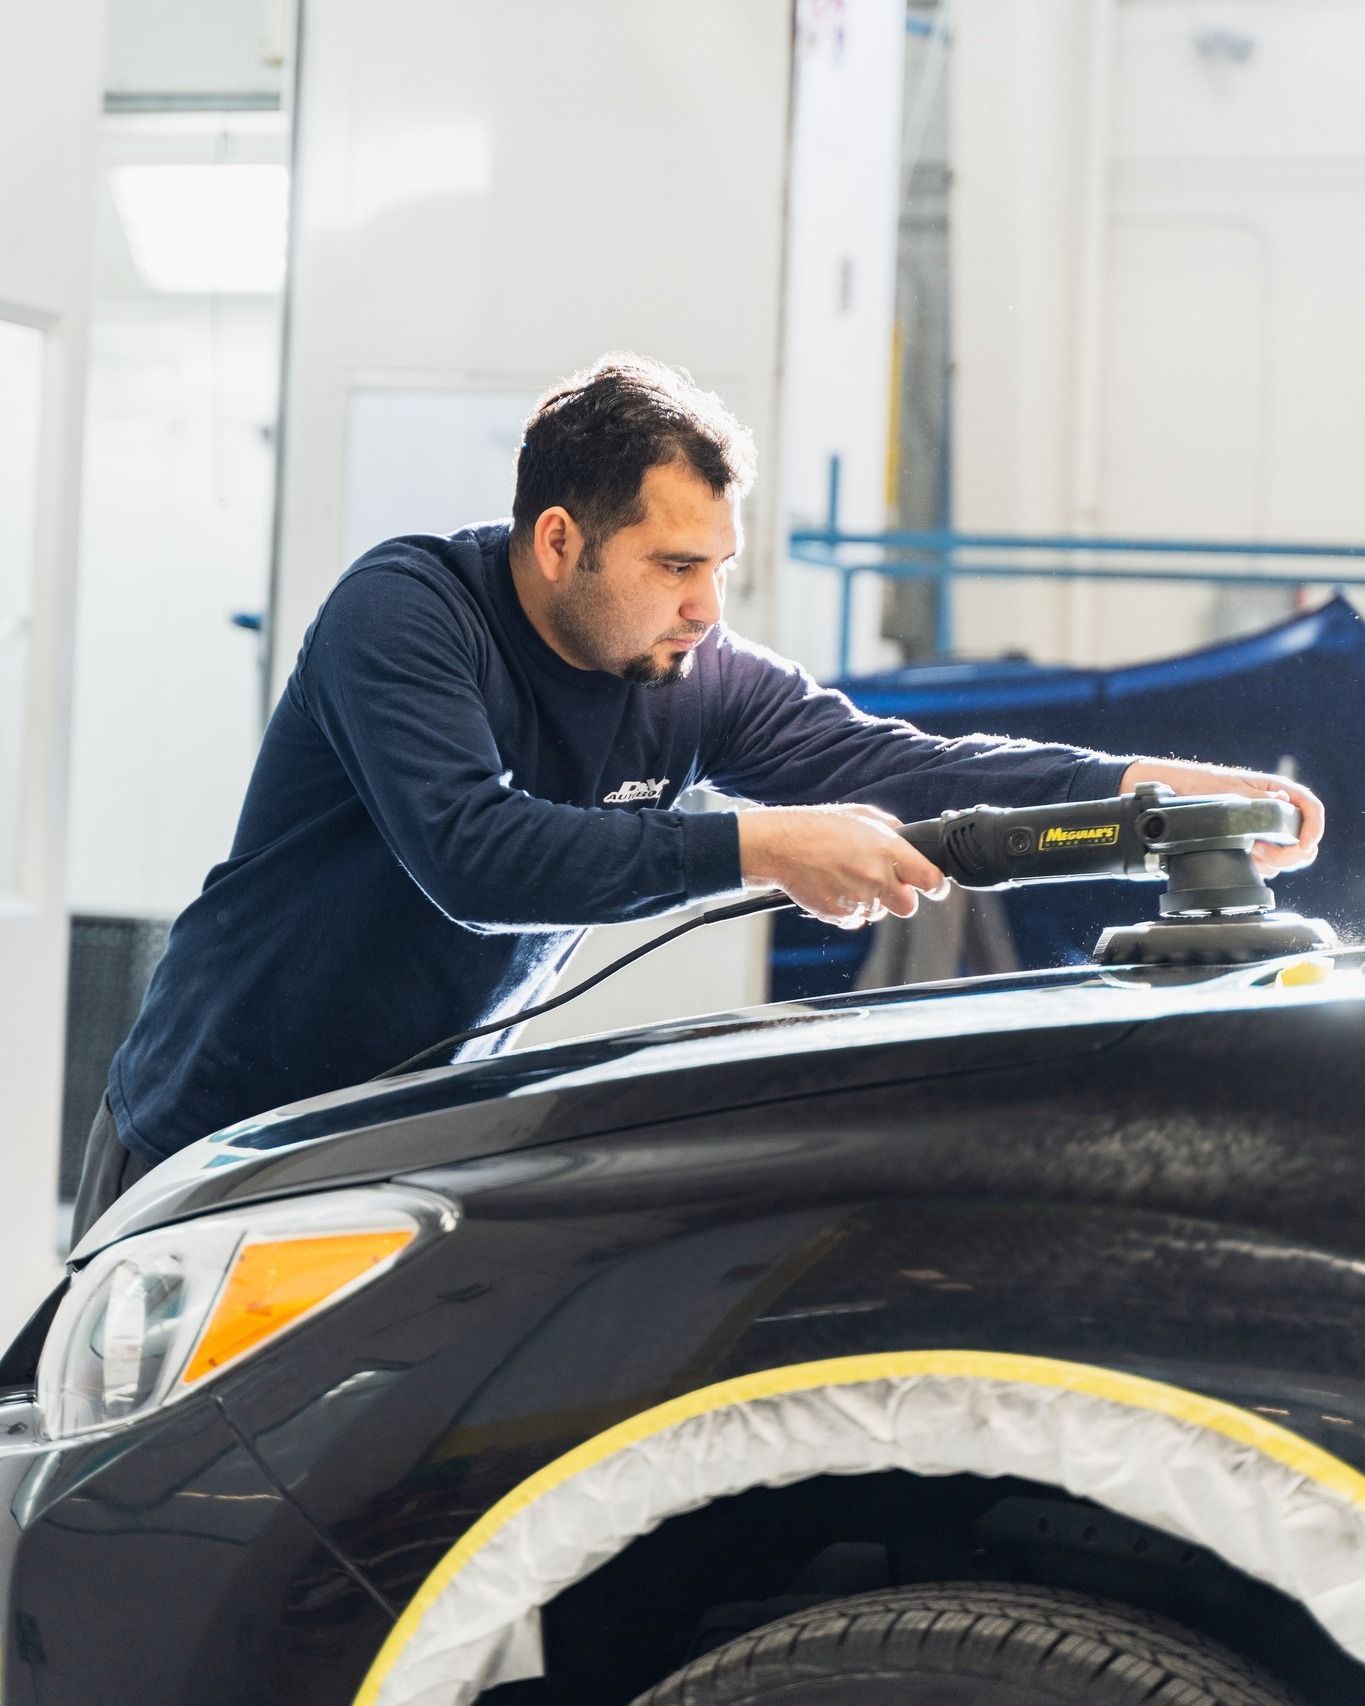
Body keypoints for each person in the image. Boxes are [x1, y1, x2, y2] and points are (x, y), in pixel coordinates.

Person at [71, 354, 1324, 1241]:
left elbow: (903, 769)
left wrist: (1137, 794)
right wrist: (757, 844)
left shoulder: (689, 676)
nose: (705, 607)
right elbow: (474, 858)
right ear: (559, 541)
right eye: (674, 566)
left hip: (390, 1132)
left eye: (717, 567)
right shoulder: (406, 616)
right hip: (214, 1121)